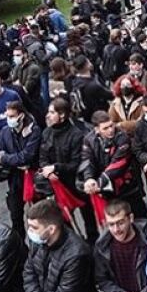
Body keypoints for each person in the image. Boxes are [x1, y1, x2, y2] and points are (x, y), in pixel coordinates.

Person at [39, 98, 98, 242]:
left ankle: (93, 243)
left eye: (52, 112)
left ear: (62, 115)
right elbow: (42, 157)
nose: (48, 115)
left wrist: (56, 167)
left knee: (88, 216)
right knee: (63, 219)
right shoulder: (46, 133)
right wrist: (49, 171)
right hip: (57, 184)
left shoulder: (76, 135)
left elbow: (76, 163)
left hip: (76, 183)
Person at [80, 110, 147, 220]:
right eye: (105, 128)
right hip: (108, 192)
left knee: (139, 219)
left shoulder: (122, 137)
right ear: (97, 129)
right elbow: (87, 160)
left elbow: (119, 164)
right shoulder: (89, 140)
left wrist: (98, 182)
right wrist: (89, 179)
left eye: (111, 125)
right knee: (116, 221)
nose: (111, 130)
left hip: (128, 189)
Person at [0, 100, 41, 240]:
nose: (9, 119)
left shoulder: (34, 131)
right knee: (16, 216)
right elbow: (2, 151)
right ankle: (20, 248)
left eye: (12, 116)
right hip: (15, 179)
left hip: (32, 176)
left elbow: (26, 156)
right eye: (8, 116)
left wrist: (5, 159)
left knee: (39, 214)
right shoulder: (5, 132)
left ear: (21, 115)